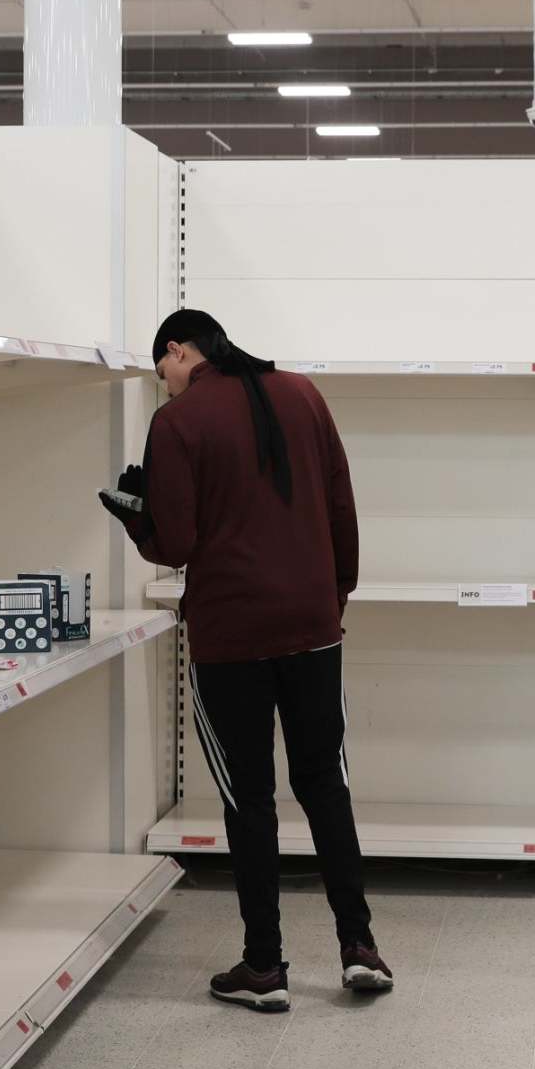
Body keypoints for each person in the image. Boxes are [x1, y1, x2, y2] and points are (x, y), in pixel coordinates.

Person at [102, 309, 391, 1012]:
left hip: (232, 635)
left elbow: (175, 540)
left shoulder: (179, 422)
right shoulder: (302, 393)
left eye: (162, 368)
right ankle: (359, 947)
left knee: (249, 797)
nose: (164, 384)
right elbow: (341, 507)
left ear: (178, 349)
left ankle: (265, 966)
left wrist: (134, 514)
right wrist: (334, 598)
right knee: (326, 783)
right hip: (313, 626)